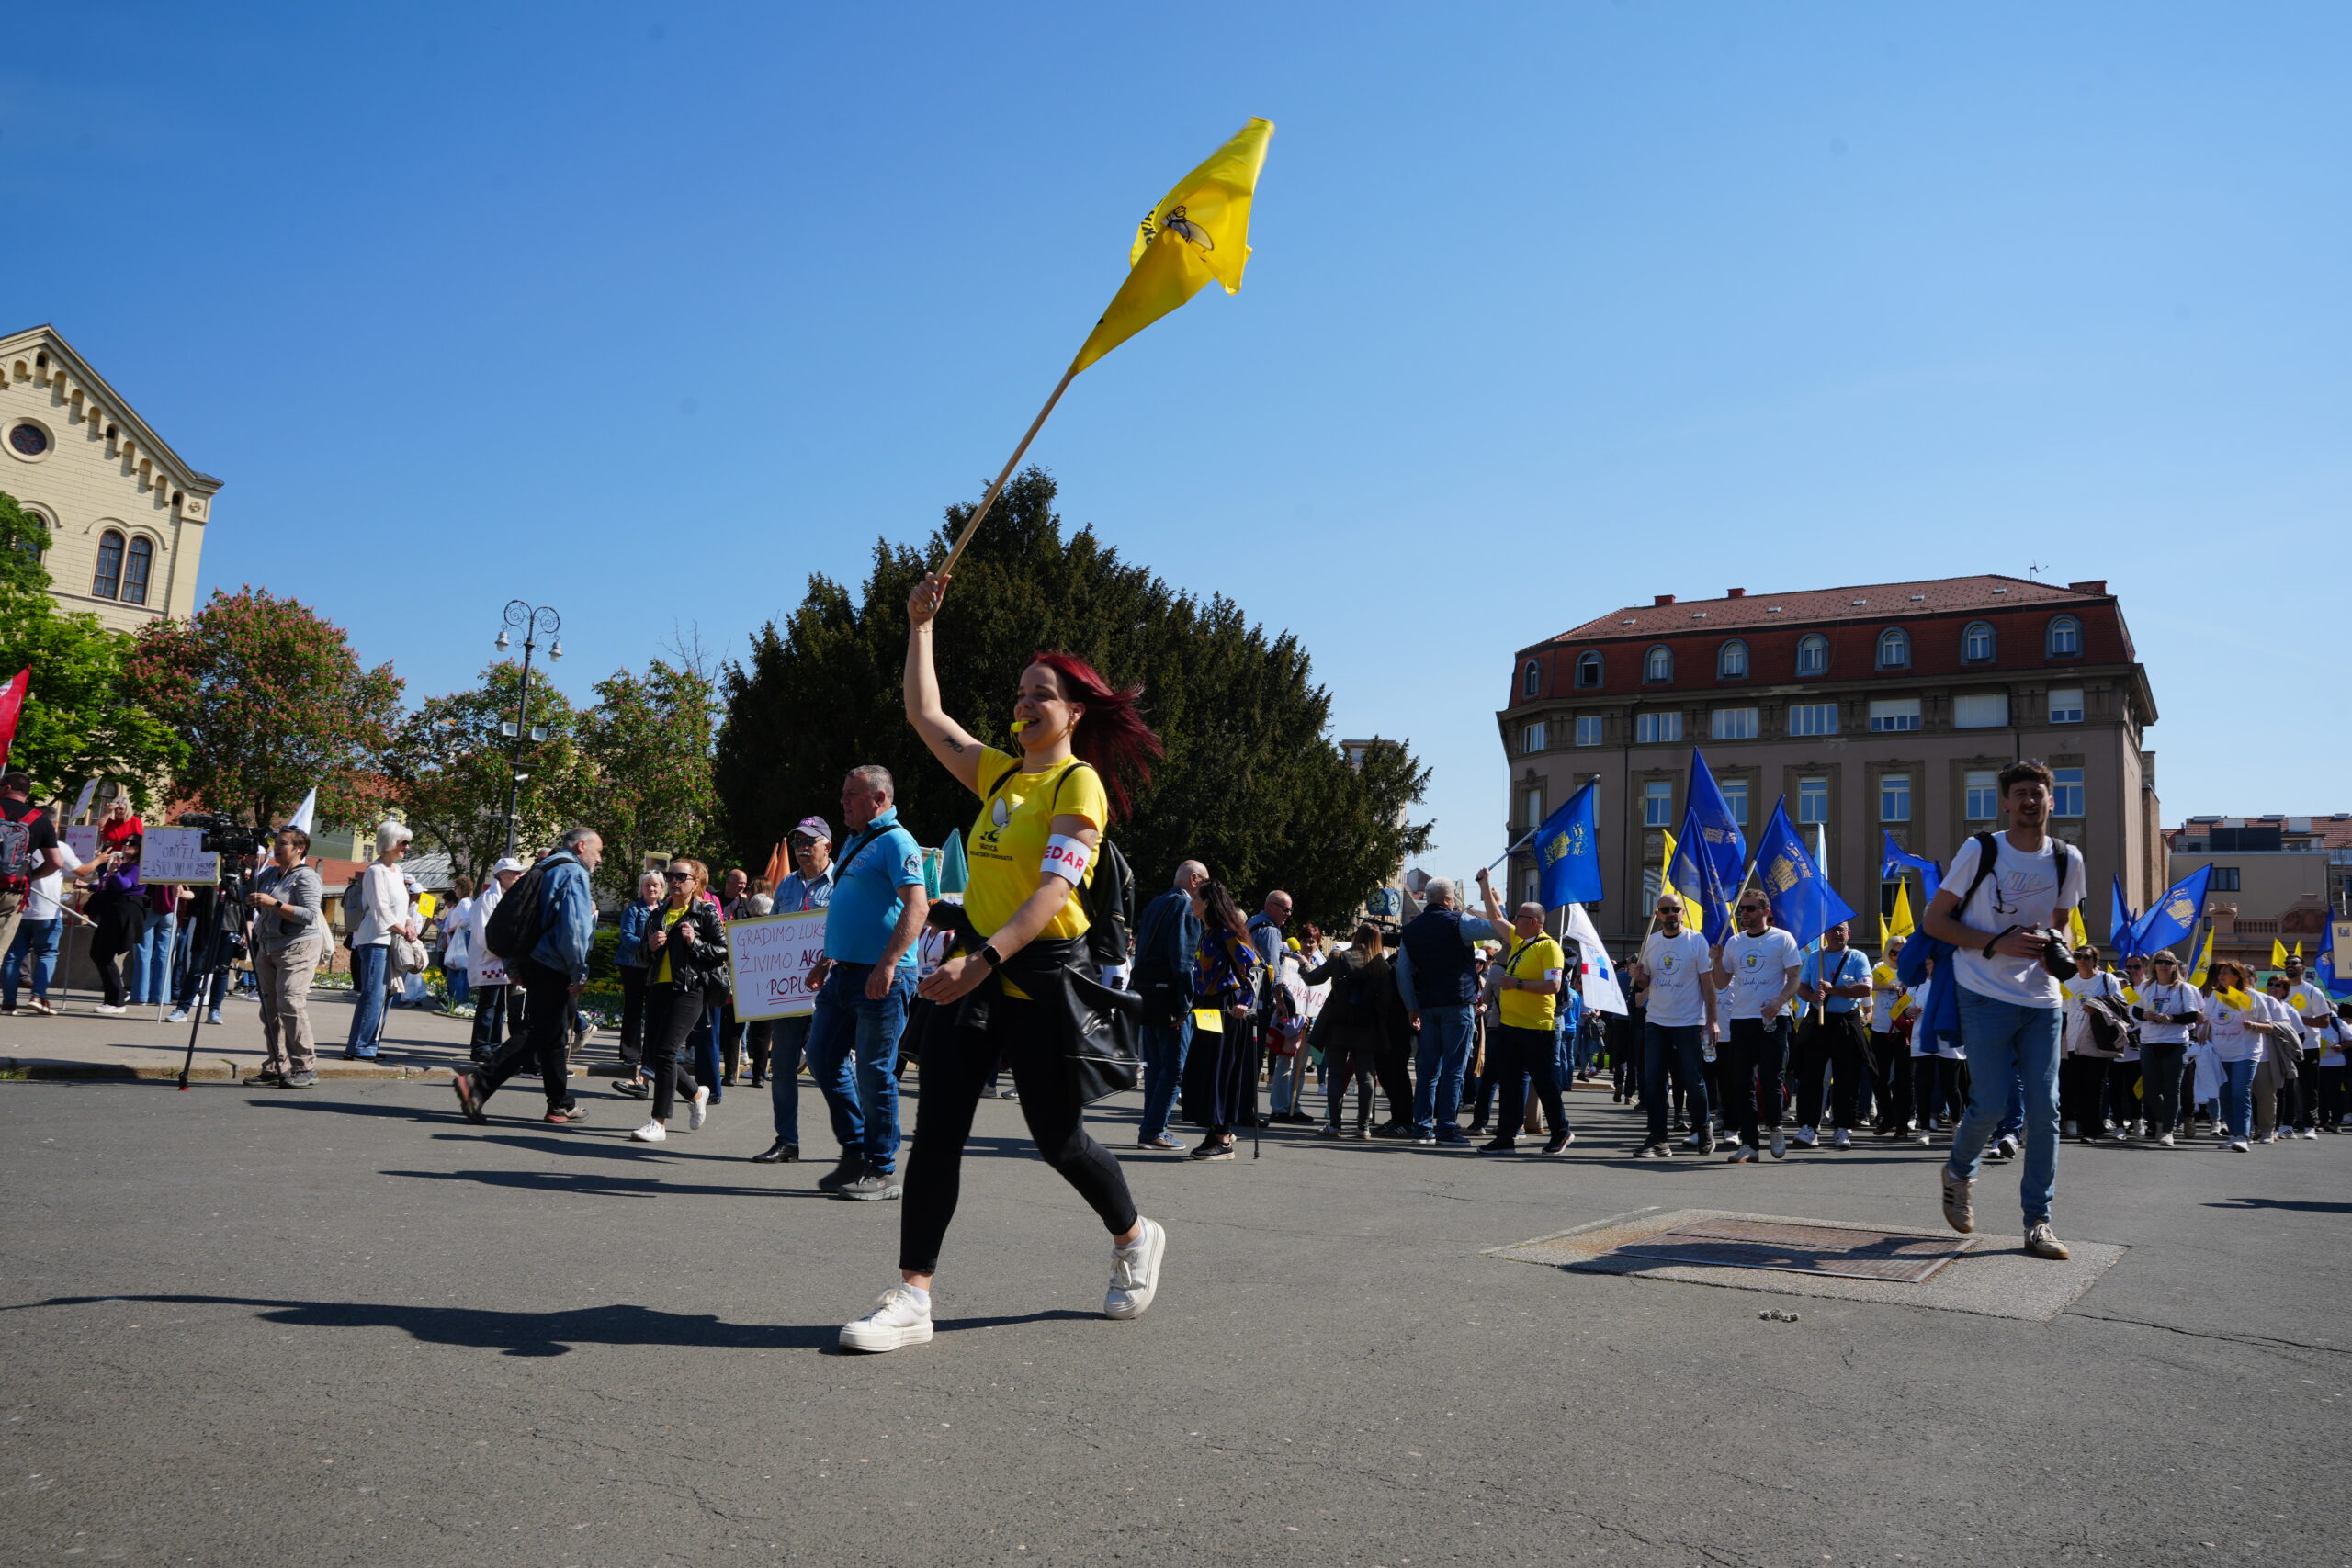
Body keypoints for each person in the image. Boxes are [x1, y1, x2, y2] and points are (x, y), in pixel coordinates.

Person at [834, 570, 1165, 1354]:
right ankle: (914, 1295)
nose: (1023, 704)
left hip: (1039, 977)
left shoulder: (1079, 784)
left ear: (1075, 710)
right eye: (1019, 693)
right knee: (937, 1132)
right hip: (976, 975)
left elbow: (1053, 893)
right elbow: (925, 715)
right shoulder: (1001, 775)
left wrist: (981, 960)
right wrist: (920, 625)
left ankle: (1134, 1234)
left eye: (1040, 694)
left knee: (1060, 1139)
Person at [1923, 760, 2085, 1260]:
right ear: (2006, 803)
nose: (2030, 801)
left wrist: (2058, 945)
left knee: (2045, 1109)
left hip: (2041, 997)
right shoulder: (1981, 850)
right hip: (1982, 990)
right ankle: (1958, 1172)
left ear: (2051, 801)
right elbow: (1934, 922)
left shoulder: (2067, 858)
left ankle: (2038, 1222)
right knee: (1990, 1104)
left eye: (2038, 793)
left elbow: (2064, 923)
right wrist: (1997, 942)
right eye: (2021, 794)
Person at [803, 766, 928, 1201]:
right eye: (843, 793)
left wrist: (888, 963)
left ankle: (882, 1167)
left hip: (882, 976)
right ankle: (857, 1149)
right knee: (822, 1057)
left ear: (879, 799)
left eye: (851, 794)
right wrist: (827, 957)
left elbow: (918, 906)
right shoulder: (856, 841)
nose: (843, 801)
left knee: (875, 1071)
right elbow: (855, 908)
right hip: (844, 971)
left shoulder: (897, 841)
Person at [450, 829, 604, 1128]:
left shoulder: (542, 868)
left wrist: (513, 964)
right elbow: (574, 928)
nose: (599, 859)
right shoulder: (573, 873)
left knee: (553, 1033)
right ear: (581, 846)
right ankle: (478, 1083)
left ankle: (559, 1104)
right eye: (598, 851)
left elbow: (518, 916)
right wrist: (579, 970)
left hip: (532, 962)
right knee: (539, 1031)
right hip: (554, 964)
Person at [1395, 872, 1512, 1147]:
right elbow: (1499, 928)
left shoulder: (1411, 929)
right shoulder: (1459, 922)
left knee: (1427, 1069)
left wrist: (1411, 1006)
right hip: (1457, 1003)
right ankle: (1446, 1127)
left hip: (1427, 1004)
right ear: (1449, 899)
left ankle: (1422, 1128)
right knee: (1454, 1069)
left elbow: (1403, 972)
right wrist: (1497, 902)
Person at [753, 817, 836, 1165]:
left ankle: (856, 1140)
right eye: (798, 842)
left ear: (827, 846)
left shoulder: (843, 884)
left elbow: (847, 933)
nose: (802, 848)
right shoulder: (787, 884)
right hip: (788, 993)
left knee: (829, 1066)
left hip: (829, 993)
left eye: (809, 841)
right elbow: (774, 934)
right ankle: (787, 1141)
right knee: (783, 1067)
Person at [625, 858, 722, 1142]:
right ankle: (695, 1093)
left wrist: (696, 943)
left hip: (690, 989)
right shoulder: (658, 914)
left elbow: (723, 950)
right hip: (659, 987)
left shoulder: (705, 912)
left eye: (681, 876)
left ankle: (658, 1122)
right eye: (671, 876)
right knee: (658, 1055)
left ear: (695, 882)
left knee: (666, 1051)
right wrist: (649, 946)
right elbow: (642, 957)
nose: (674, 881)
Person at [1712, 891, 1802, 1162]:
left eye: (1750, 908)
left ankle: (1775, 1126)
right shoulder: (1734, 942)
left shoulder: (1782, 938)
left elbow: (1794, 977)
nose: (1744, 913)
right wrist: (1716, 960)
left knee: (1772, 1079)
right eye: (1742, 908)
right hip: (1741, 1019)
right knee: (1741, 1083)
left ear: (1765, 911)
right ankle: (1750, 1144)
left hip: (1773, 1018)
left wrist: (1780, 1000)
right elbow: (1720, 983)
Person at [1478, 901, 1571, 1156]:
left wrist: (1517, 984)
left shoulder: (1549, 947)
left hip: (1537, 1027)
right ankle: (1505, 1137)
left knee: (1544, 1083)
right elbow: (1495, 918)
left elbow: (1553, 986)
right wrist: (1484, 886)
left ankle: (1561, 1132)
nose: (1514, 921)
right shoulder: (1520, 941)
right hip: (1510, 1025)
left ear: (1534, 922)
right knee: (1510, 1084)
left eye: (1519, 917)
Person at [1632, 892, 1716, 1158]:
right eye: (1665, 910)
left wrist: (1712, 1021)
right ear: (1657, 914)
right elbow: (1646, 982)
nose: (1671, 914)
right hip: (1657, 1021)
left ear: (1682, 912)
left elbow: (1708, 984)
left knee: (1693, 1080)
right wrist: (1638, 976)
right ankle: (1658, 1138)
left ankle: (1703, 1128)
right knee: (1654, 1084)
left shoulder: (1696, 941)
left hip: (1689, 1022)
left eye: (1675, 909)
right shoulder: (1651, 942)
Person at [1186, 879, 1264, 1160]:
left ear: (1208, 903)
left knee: (1221, 1069)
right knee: (1206, 1067)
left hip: (1226, 1008)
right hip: (1208, 1007)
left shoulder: (1226, 934)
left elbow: (1255, 967)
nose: (1192, 901)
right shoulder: (1206, 933)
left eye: (1196, 897)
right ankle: (1216, 1131)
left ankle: (1223, 1137)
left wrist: (1245, 1002)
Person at [243, 825, 325, 1088]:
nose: (276, 848)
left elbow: (309, 915)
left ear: (299, 849)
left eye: (282, 844)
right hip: (268, 945)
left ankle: (305, 1067)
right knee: (269, 1008)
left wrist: (274, 903)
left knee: (290, 1002)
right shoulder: (269, 873)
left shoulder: (306, 877)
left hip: (298, 946)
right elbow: (245, 897)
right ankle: (277, 1066)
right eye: (275, 843)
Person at [1132, 859, 1206, 1151]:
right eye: (1205, 883)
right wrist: (1185, 1004)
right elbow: (1184, 959)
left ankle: (1150, 1128)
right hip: (1170, 999)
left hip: (1147, 995)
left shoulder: (1155, 904)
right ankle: (1154, 1130)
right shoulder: (1185, 906)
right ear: (1195, 879)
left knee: (1154, 1068)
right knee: (1174, 1069)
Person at [1304, 924, 1390, 1140]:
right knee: (1366, 1076)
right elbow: (1385, 1003)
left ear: (1357, 936)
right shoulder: (1381, 965)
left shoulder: (1339, 957)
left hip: (1338, 1023)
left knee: (1335, 1074)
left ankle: (1335, 1125)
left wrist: (1302, 965)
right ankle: (1363, 1127)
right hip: (1367, 1026)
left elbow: (1312, 978)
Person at [343, 821, 418, 1060]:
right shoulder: (376, 871)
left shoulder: (397, 871)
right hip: (375, 939)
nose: (407, 847)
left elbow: (400, 908)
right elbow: (380, 909)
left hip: (392, 939)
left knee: (387, 994)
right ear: (390, 842)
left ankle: (370, 1043)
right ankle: (360, 1046)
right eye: (403, 842)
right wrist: (403, 930)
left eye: (408, 843)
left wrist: (409, 923)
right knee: (374, 993)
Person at [1794, 920, 1872, 1149]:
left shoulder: (1858, 957)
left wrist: (1833, 990)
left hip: (1846, 1022)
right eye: (1832, 929)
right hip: (1819, 1021)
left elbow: (1865, 988)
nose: (1837, 933)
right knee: (1811, 1076)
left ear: (1849, 933)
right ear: (1825, 934)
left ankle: (1842, 1127)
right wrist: (1812, 996)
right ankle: (1809, 1127)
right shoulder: (1814, 958)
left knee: (1847, 1077)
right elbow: (1801, 986)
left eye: (1841, 929)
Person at [2130, 949, 2200, 1148]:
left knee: (2172, 1088)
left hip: (2175, 1043)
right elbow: (2135, 1011)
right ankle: (2166, 1119)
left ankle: (2168, 1130)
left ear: (2174, 967)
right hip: (2149, 1041)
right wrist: (2146, 1015)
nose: (2164, 965)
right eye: (2160, 962)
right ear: (2154, 965)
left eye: (2169, 962)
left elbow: (2192, 1016)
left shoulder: (2184, 989)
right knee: (2150, 1090)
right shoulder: (2145, 987)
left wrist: (2171, 1018)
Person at [2059, 945, 2127, 1142]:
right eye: (2078, 956)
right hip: (2073, 1039)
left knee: (2094, 1085)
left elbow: (2120, 1002)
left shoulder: (2107, 979)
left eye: (2087, 957)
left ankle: (2092, 1130)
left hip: (2097, 1038)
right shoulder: (2068, 982)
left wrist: (2098, 1006)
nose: (2082, 960)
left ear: (2095, 960)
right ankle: (2080, 1123)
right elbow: (2063, 1010)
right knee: (2075, 1085)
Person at [2200, 961, 2269, 1152]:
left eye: (2226, 973)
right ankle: (2233, 1135)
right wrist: (2203, 1029)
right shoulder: (2216, 995)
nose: (2221, 976)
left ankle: (2243, 1136)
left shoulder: (2254, 997)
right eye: (2220, 973)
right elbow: (2207, 1018)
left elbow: (2269, 1026)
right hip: (2220, 1053)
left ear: (2238, 976)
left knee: (2239, 1092)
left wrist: (2254, 1025)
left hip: (2245, 1053)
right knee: (2224, 1095)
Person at [610, 869, 665, 1097]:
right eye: (647, 885)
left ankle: (649, 1055)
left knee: (654, 1012)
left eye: (655, 885)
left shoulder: (665, 910)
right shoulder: (633, 910)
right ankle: (630, 1053)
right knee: (633, 1008)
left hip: (655, 967)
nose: (651, 889)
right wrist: (646, 946)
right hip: (633, 965)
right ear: (641, 888)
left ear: (662, 889)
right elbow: (626, 936)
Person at [467, 859, 524, 1061]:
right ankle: (481, 1045)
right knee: (489, 1004)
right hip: (489, 959)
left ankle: (493, 1044)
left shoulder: (503, 897)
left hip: (499, 959)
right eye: (515, 872)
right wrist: (502, 951)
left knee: (498, 1005)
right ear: (502, 874)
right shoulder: (488, 899)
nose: (519, 876)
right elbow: (483, 933)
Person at [83, 833, 145, 1013]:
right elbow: (107, 885)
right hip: (112, 912)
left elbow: (124, 885)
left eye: (132, 843)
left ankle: (116, 1001)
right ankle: (117, 996)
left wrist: (114, 872)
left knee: (103, 954)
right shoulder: (124, 865)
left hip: (123, 913)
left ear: (140, 848)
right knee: (98, 953)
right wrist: (87, 886)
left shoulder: (137, 867)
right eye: (125, 842)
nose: (127, 845)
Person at [2280, 954, 2332, 1139]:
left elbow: (2324, 1022)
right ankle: (2286, 1125)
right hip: (2284, 1046)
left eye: (2294, 963)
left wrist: (2296, 1019)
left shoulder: (2312, 992)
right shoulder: (2280, 990)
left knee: (2308, 1088)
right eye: (2287, 963)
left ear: (2303, 968)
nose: (2289, 965)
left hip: (2308, 1046)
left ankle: (2310, 1126)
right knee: (2285, 1088)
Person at [436, 875, 475, 1012]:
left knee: (456, 969)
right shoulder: (469, 901)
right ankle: (459, 1001)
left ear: (461, 888)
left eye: (456, 887)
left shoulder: (464, 902)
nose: (455, 890)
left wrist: (453, 928)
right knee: (461, 970)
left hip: (461, 938)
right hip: (464, 938)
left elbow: (466, 921)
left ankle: (457, 1001)